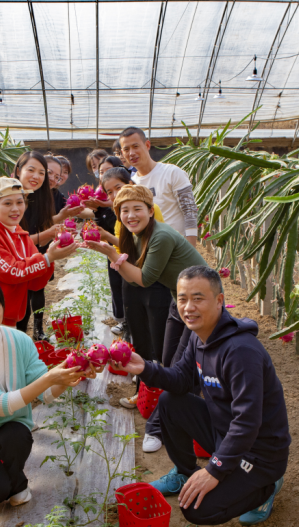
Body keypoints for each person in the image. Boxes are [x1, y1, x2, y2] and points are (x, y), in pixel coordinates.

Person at [110, 266, 289, 526]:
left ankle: (265, 488)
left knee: (197, 509)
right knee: (170, 401)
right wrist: (144, 368)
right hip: (225, 434)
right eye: (182, 299)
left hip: (258, 454)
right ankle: (184, 472)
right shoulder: (199, 336)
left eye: (198, 298)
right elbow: (181, 381)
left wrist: (214, 470)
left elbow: (247, 422)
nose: (188, 307)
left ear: (219, 301)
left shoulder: (241, 352)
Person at [0, 275, 88, 505]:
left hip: (7, 429)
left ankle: (16, 482)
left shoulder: (19, 341)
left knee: (18, 435)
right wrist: (50, 377)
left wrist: (69, 376)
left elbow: (46, 393)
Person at [85, 184, 207, 453]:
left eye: (137, 209)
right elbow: (133, 278)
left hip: (201, 304)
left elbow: (145, 278)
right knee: (168, 363)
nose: (130, 215)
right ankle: (173, 420)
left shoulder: (160, 236)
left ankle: (161, 427)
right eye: (124, 210)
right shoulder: (137, 235)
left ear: (151, 211)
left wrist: (110, 253)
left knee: (179, 369)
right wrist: (112, 250)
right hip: (180, 300)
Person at [0, 176, 78, 343]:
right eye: (7, 203)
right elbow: (12, 271)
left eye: (20, 202)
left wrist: (51, 256)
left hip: (5, 317)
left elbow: (35, 283)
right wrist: (48, 257)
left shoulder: (20, 235)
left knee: (1, 369)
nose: (15, 209)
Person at [11, 152, 83, 340]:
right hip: (14, 261)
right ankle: (22, 337)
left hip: (33, 253)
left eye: (56, 175)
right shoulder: (12, 197)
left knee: (34, 292)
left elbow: (39, 228)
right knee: (19, 302)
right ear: (19, 171)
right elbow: (13, 240)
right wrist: (50, 235)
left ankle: (32, 332)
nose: (43, 177)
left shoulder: (43, 198)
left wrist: (55, 235)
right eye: (33, 171)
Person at [97, 166, 165, 337]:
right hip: (132, 267)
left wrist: (109, 245)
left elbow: (145, 246)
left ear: (130, 184)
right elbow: (125, 246)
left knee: (154, 321)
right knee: (134, 313)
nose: (114, 195)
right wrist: (107, 240)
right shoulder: (120, 214)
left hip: (150, 270)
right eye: (109, 192)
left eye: (118, 188)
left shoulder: (149, 209)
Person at [119, 127, 199, 247]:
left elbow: (190, 211)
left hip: (177, 247)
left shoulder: (172, 172)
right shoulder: (131, 184)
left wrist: (191, 250)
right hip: (150, 251)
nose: (131, 153)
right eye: (126, 149)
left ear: (147, 145)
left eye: (135, 146)